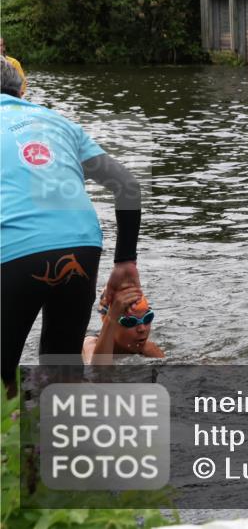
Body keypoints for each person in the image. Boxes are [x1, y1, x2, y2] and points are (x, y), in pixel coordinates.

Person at [1, 58, 141, 393]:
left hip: (16, 248)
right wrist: (125, 262)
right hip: (81, 244)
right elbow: (127, 185)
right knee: (62, 371)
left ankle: (14, 439)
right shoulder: (55, 121)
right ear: (21, 89)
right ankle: (69, 439)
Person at [82, 284, 164, 364]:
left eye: (147, 318)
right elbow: (95, 373)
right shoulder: (89, 345)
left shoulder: (147, 348)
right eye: (130, 321)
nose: (142, 329)